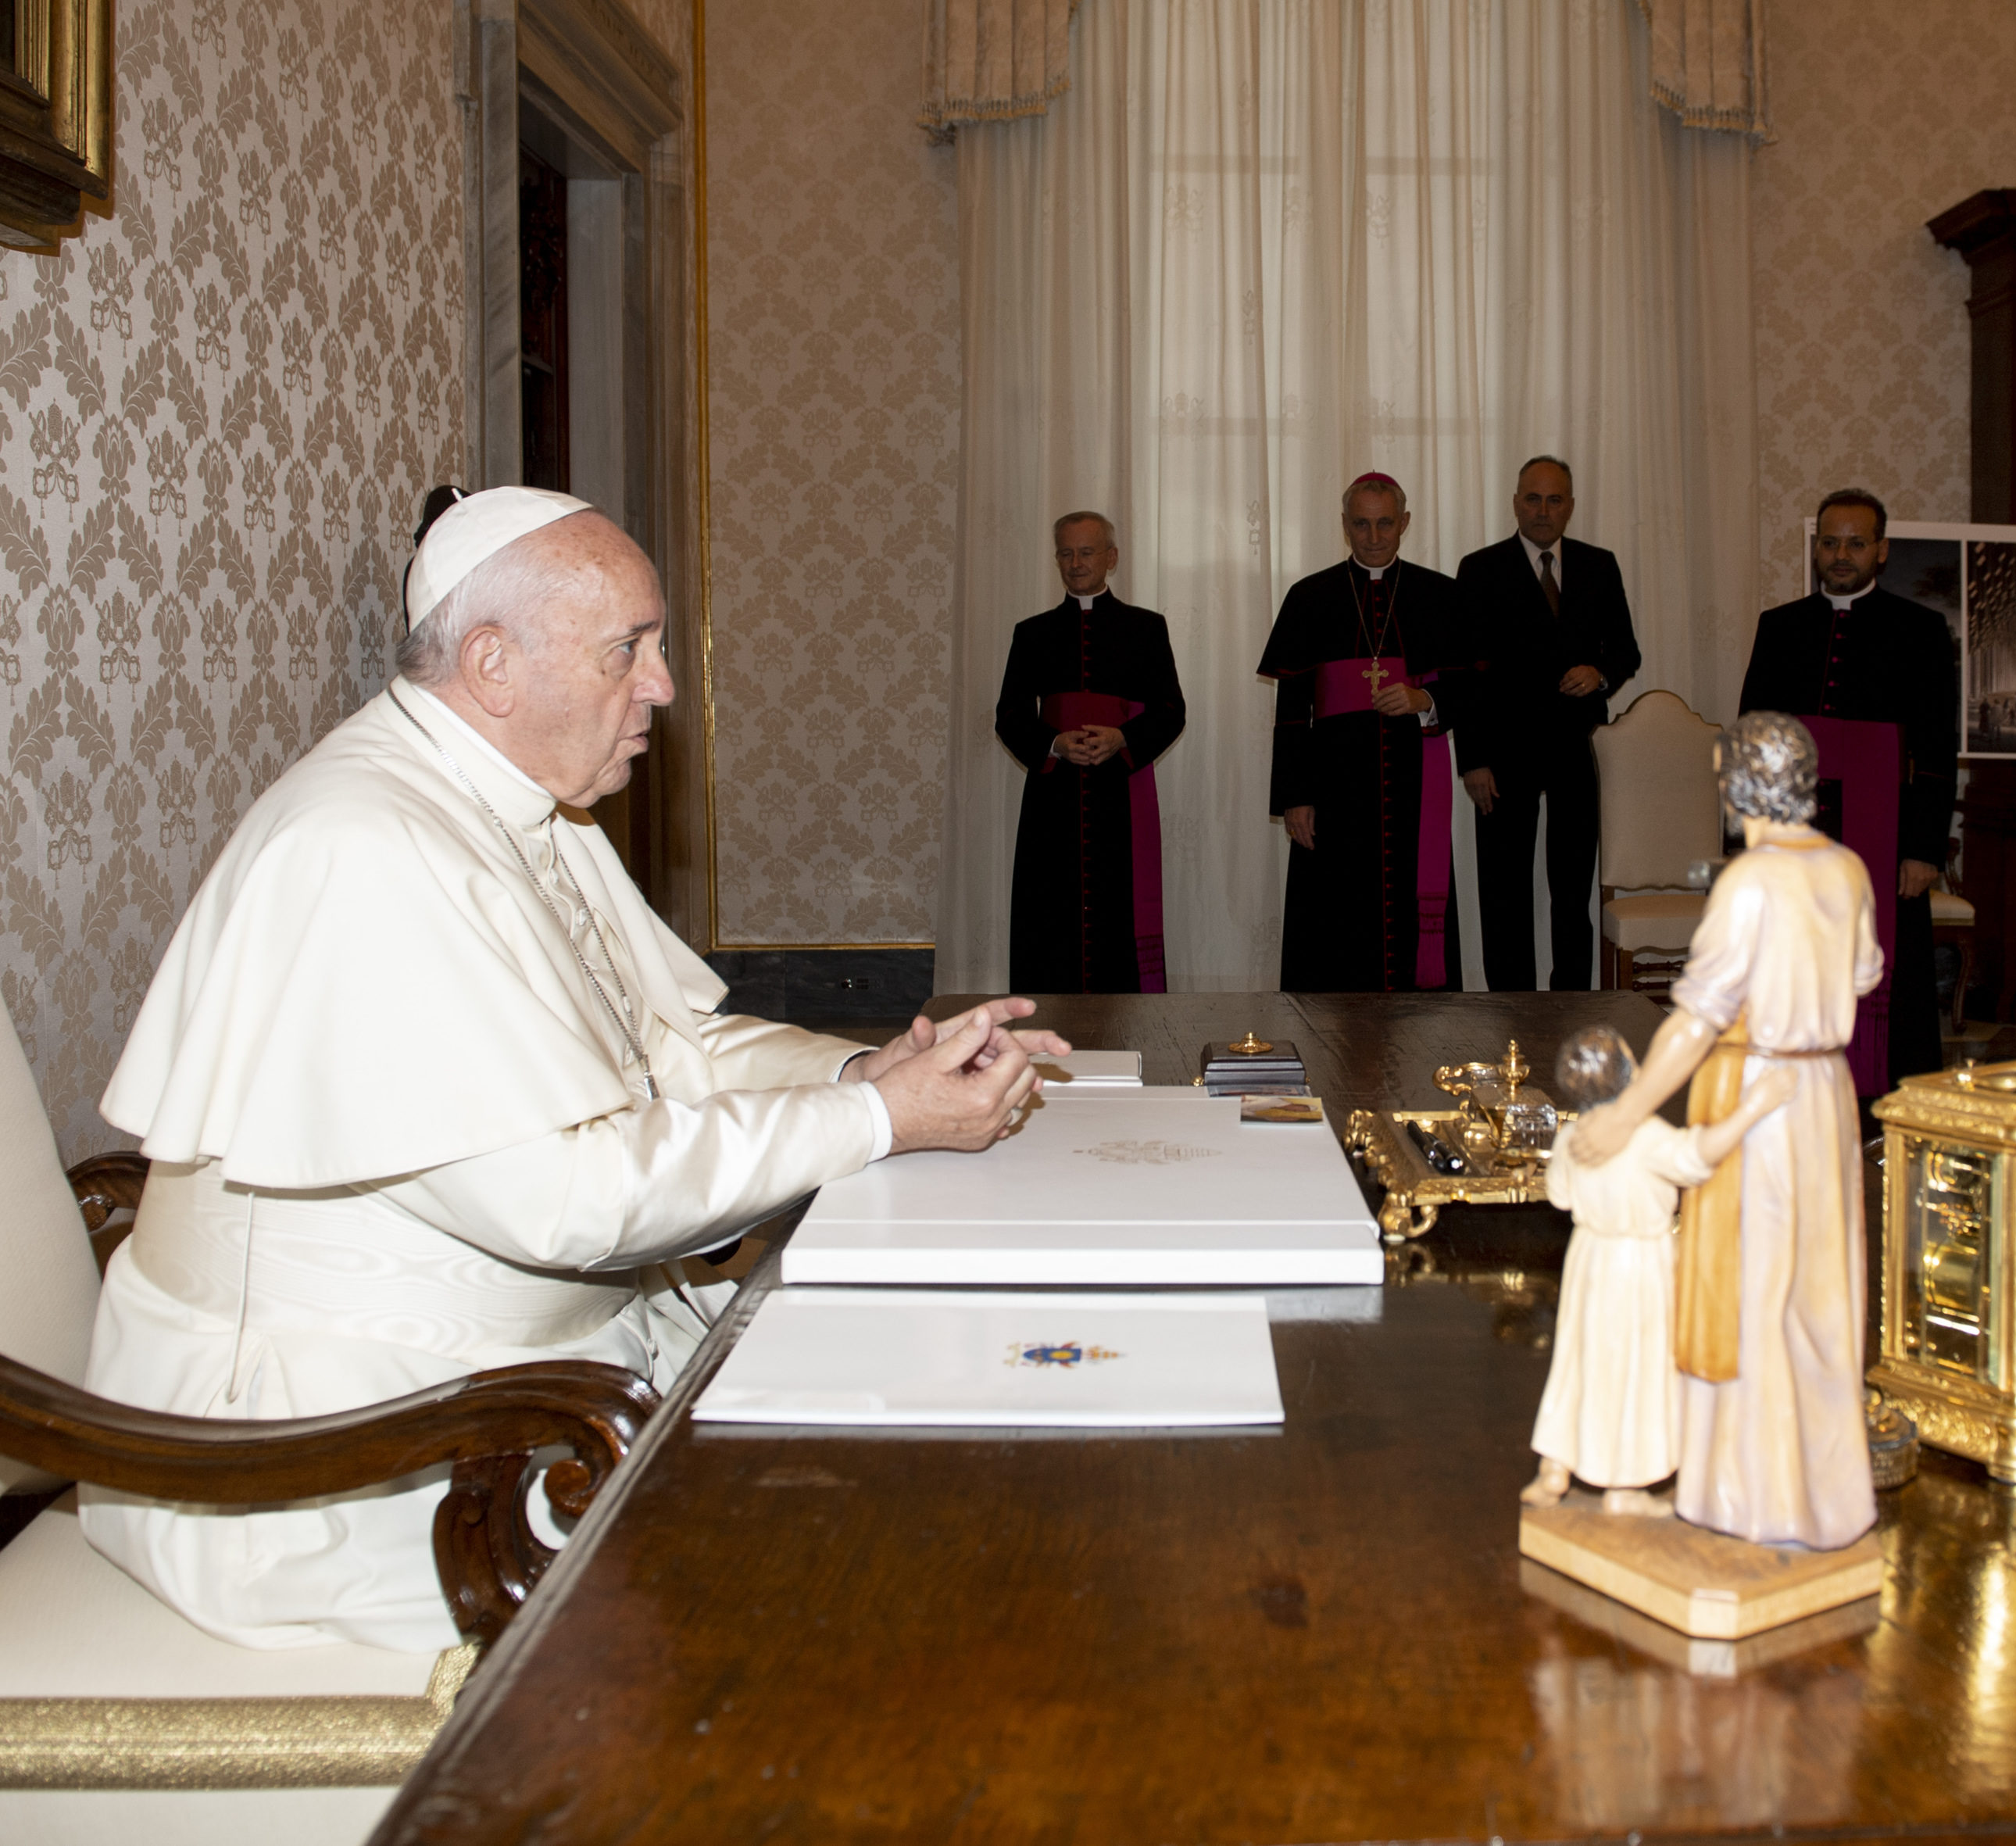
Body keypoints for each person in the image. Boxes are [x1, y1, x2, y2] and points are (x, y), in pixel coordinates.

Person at [84, 487, 1069, 1651]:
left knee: (923, 1416)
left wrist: (868, 1069)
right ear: (492, 665)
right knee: (844, 1566)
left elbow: (666, 1048)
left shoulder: (526, 808)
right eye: (628, 650)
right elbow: (567, 1198)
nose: (664, 684)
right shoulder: (363, 847)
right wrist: (878, 1122)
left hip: (522, 1385)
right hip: (344, 1467)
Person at [1564, 712, 1882, 1551]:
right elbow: (1863, 974)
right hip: (1826, 1092)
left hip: (1755, 1093)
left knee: (1750, 1292)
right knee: (1820, 1294)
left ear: (1738, 786)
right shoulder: (1846, 867)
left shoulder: (1749, 883)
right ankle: (1827, 1498)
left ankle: (1747, 1497)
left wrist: (1625, 1113)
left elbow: (1693, 1023)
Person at [1736, 489, 1960, 1093]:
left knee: (1889, 977)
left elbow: (1936, 748)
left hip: (1886, 839)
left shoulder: (1920, 630)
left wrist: (1923, 850)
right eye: (1830, 542)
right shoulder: (1780, 627)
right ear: (1816, 547)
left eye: (1855, 543)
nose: (1841, 554)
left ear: (1880, 550)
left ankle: (1882, 1103)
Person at [1523, 1025, 1793, 1515]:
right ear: (1628, 1075)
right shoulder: (1644, 1136)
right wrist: (1755, 1105)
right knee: (1636, 1368)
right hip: (1638, 1263)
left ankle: (1555, 1466)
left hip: (1588, 1258)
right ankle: (1624, 1487)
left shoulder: (1573, 1137)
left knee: (1579, 1361)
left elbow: (1559, 1195)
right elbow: (1700, 1154)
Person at [1258, 472, 1462, 991]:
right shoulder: (1310, 597)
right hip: (1333, 788)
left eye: (1385, 523)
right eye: (1361, 524)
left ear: (1405, 523)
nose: (1373, 537)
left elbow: (1473, 689)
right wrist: (1295, 797)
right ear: (1345, 525)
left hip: (1413, 785)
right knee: (1333, 923)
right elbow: (1292, 709)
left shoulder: (1439, 595)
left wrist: (1425, 700)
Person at [1451, 456, 1641, 991]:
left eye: (1554, 499)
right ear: (1515, 504)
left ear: (1570, 506)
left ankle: (1570, 1005)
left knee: (1572, 892)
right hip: (1500, 756)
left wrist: (1599, 673)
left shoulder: (1599, 566)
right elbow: (1463, 672)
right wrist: (1472, 760)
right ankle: (1510, 1010)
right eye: (1532, 499)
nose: (1542, 510)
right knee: (1503, 892)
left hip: (1575, 751)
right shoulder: (1481, 569)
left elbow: (1625, 651)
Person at [994, 511, 1186, 993]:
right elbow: (1010, 715)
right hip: (1052, 799)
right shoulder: (1032, 633)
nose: (1076, 563)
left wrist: (1123, 738)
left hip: (1120, 794)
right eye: (1066, 553)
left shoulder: (1146, 628)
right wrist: (1053, 743)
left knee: (1116, 914)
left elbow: (1171, 710)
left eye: (1086, 552)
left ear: (1111, 557)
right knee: (1049, 917)